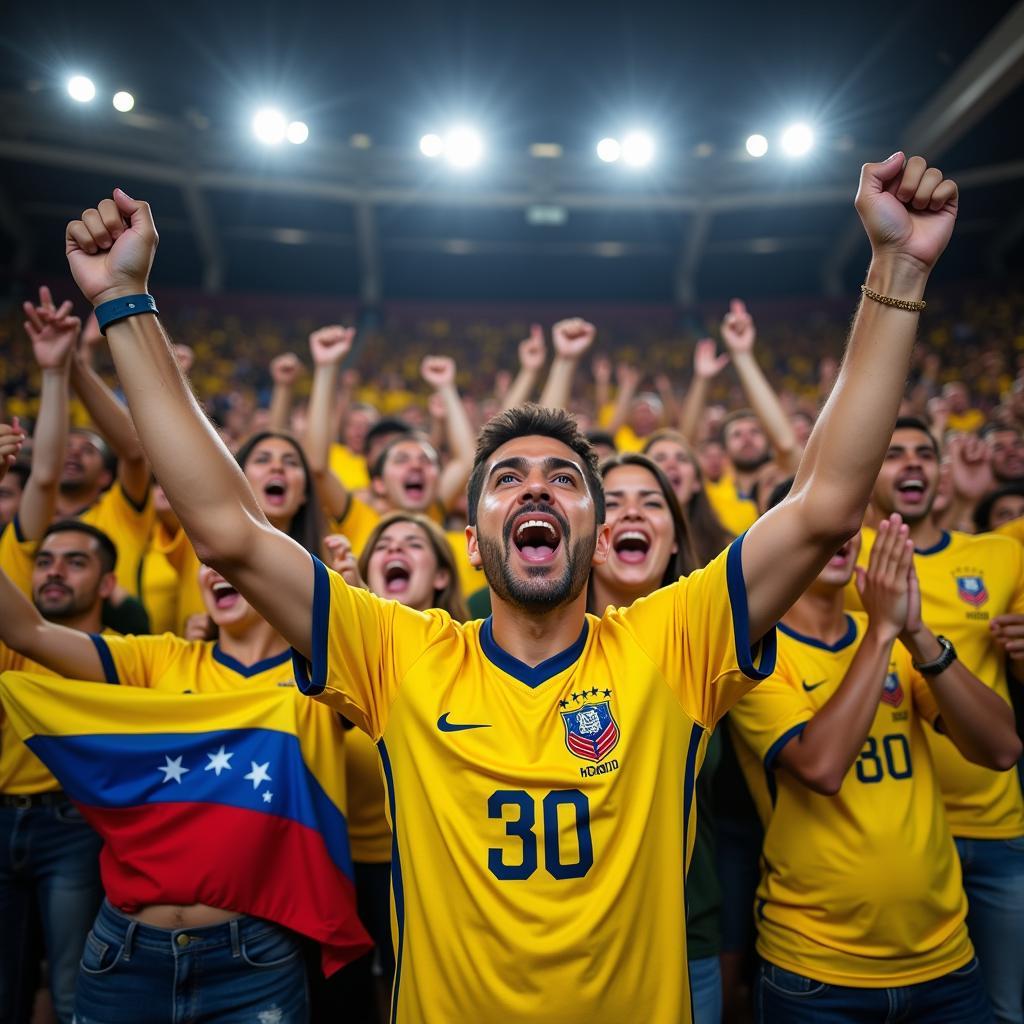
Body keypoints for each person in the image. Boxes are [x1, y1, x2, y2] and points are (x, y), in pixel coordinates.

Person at [65, 150, 958, 1022]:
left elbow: (827, 503)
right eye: (507, 478)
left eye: (565, 478)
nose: (536, 486)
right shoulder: (401, 657)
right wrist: (123, 301)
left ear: (598, 530)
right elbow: (227, 529)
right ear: (473, 536)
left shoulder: (669, 644)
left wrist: (897, 268)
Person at [0, 538, 366, 1022]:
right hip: (123, 955)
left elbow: (373, 667)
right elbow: (27, 633)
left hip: (254, 962)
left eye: (237, 557)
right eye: (208, 560)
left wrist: (351, 606)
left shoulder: (319, 677)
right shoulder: (160, 660)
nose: (217, 566)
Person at [732, 494, 1020, 1022]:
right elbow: (822, 767)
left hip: (947, 963)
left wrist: (915, 631)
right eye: (816, 523)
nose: (838, 533)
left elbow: (1002, 748)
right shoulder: (752, 656)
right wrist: (886, 630)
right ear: (776, 541)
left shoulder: (891, 638)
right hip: (815, 974)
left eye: (848, 523)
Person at [859, 416, 1024, 1023]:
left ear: (942, 471)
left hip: (997, 827)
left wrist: (978, 499)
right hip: (901, 840)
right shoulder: (845, 559)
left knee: (1005, 1012)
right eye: (893, 452)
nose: (911, 464)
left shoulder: (1001, 555)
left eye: (924, 454)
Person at [587, 453, 722, 1024]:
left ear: (672, 540)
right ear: (591, 538)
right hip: (551, 946)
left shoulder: (717, 640)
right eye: (613, 502)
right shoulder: (508, 631)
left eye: (652, 501)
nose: (632, 512)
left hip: (682, 937)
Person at [325, 513, 469, 1022]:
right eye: (383, 545)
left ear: (442, 576)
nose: (395, 550)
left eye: (412, 544)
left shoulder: (466, 651)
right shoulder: (335, 647)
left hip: (432, 867)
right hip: (339, 866)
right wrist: (353, 608)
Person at [0, 520, 112, 1024]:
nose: (55, 572)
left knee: (75, 993)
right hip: (2, 820)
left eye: (76, 561)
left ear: (107, 584)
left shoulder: (128, 658)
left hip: (76, 830)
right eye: (44, 561)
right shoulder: (11, 647)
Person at [642, 429, 732, 565]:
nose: (671, 464)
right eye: (659, 458)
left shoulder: (726, 547)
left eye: (682, 459)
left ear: (696, 482)